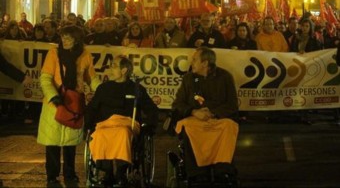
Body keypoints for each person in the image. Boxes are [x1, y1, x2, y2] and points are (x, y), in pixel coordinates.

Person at [37, 25, 101, 186]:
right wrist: (53, 96)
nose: (64, 40)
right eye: (63, 37)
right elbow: (45, 78)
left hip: (74, 103)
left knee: (71, 144)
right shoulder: (54, 53)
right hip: (55, 104)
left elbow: (91, 78)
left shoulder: (85, 55)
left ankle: (70, 174)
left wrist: (102, 91)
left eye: (69, 38)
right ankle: (52, 175)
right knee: (52, 143)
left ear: (77, 40)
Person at [84, 55, 158, 186]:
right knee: (99, 135)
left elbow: (151, 108)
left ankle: (120, 172)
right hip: (106, 125)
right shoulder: (103, 88)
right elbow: (92, 108)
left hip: (126, 124)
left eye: (114, 66)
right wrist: (88, 125)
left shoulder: (136, 89)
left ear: (124, 70)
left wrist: (149, 126)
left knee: (123, 133)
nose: (110, 69)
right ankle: (108, 172)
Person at [172, 47, 239, 182]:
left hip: (218, 118)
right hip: (195, 118)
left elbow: (232, 105)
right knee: (188, 127)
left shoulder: (225, 77)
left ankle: (223, 170)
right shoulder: (188, 79)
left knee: (228, 126)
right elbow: (178, 104)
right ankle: (197, 172)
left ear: (205, 63)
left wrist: (213, 113)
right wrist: (193, 111)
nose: (192, 62)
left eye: (195, 60)